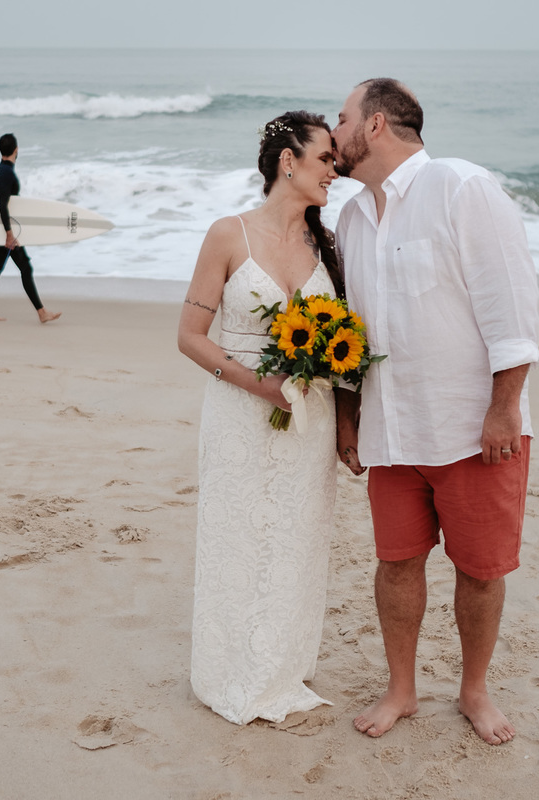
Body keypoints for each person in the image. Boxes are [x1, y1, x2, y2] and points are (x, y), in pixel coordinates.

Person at [331, 78, 539, 745]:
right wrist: (349, 416)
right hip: (391, 430)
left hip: (473, 429)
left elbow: (512, 305)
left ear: (375, 125)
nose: (333, 133)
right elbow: (350, 331)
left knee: (480, 570)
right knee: (396, 563)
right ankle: (402, 689)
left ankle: (474, 691)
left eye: (341, 118)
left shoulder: (461, 186)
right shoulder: (351, 218)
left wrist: (504, 409)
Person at [178, 111, 343, 725]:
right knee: (236, 537)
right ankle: (226, 669)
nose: (334, 171)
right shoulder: (229, 235)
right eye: (326, 158)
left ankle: (282, 664)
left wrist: (347, 424)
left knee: (298, 540)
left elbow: (347, 342)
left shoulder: (328, 245)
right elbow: (191, 337)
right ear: (288, 161)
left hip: (311, 418)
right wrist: (262, 387)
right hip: (239, 413)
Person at [0, 133, 61, 323]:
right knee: (24, 268)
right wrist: (9, 234)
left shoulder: (1, 170)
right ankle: (41, 312)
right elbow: (2, 205)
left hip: (5, 229)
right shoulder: (6, 173)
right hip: (7, 231)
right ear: (16, 150)